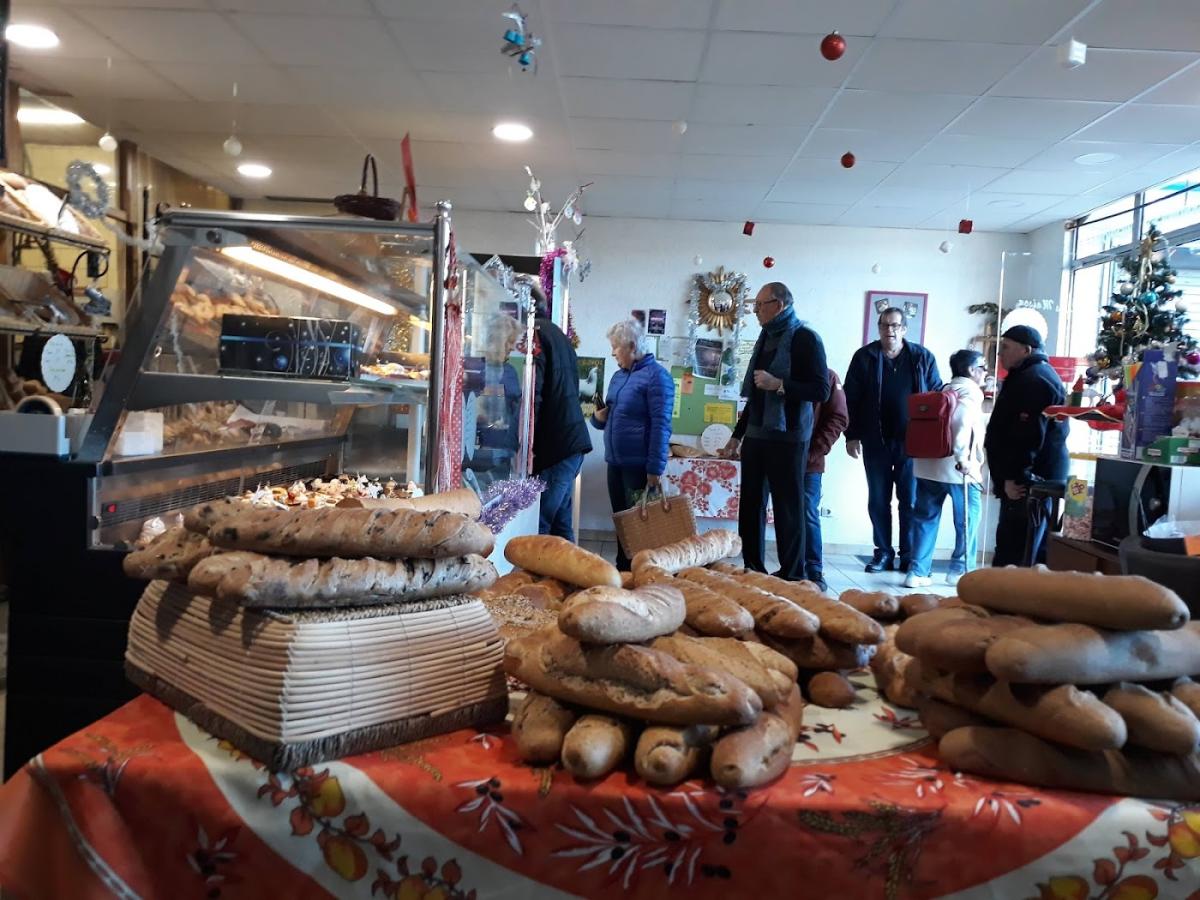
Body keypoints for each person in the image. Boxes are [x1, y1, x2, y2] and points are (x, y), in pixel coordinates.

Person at [723, 282, 830, 581]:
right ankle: (753, 569)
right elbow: (755, 395)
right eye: (754, 305)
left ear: (778, 305)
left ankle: (792, 574)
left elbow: (821, 390)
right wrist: (736, 436)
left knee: (788, 510)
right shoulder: (764, 337)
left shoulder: (806, 338)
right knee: (750, 507)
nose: (755, 310)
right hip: (757, 436)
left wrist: (780, 385)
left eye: (760, 304)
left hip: (789, 438)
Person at [844, 307, 942, 574]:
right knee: (878, 499)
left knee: (909, 501)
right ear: (879, 327)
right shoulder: (865, 357)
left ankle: (909, 556)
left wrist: (934, 439)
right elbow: (849, 399)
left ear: (904, 329)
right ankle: (883, 553)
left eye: (895, 326)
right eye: (885, 325)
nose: (890, 330)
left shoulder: (921, 357)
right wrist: (850, 435)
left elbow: (937, 398)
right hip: (875, 441)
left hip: (913, 444)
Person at [590, 318, 675, 571]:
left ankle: (642, 572)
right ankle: (623, 569)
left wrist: (655, 468)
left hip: (639, 465)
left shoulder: (658, 378)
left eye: (616, 347)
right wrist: (598, 418)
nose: (612, 352)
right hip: (615, 462)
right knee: (621, 520)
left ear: (631, 345)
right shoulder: (618, 376)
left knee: (640, 525)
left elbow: (661, 425)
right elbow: (607, 419)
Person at [985, 325, 1068, 567]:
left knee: (1016, 552)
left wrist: (1015, 477)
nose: (1000, 354)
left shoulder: (1034, 380)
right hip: (1028, 481)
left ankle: (1005, 601)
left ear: (1026, 349)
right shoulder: (1028, 375)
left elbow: (1027, 436)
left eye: (1006, 348)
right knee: (1017, 547)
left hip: (1028, 484)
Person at [905, 349, 988, 589]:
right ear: (971, 370)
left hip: (927, 467)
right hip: (958, 471)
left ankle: (917, 572)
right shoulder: (970, 393)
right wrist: (963, 458)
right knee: (967, 522)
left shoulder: (943, 390)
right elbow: (962, 423)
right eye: (982, 367)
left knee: (924, 519)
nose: (985, 373)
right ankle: (960, 571)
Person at [529, 281, 592, 542]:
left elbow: (536, 395)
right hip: (570, 443)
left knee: (540, 525)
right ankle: (574, 582)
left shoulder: (536, 335)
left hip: (556, 447)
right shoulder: (557, 334)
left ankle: (534, 582)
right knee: (560, 525)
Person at [803, 368, 849, 592]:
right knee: (786, 513)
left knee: (808, 512)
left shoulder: (827, 376)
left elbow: (839, 417)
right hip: (780, 457)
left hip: (810, 461)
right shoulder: (782, 373)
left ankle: (814, 569)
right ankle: (792, 567)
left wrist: (816, 451)